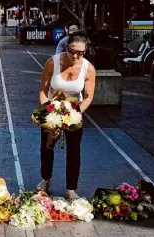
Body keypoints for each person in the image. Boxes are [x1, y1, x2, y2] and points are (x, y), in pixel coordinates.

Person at [37, 32, 96, 200]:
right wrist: (48, 112)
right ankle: (46, 179)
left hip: (74, 111)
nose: (76, 55)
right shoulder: (52, 62)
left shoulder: (88, 68)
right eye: (72, 51)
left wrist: (74, 114)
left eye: (81, 52)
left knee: (74, 150)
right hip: (51, 109)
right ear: (66, 47)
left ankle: (71, 189)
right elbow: (43, 90)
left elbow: (89, 96)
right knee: (46, 148)